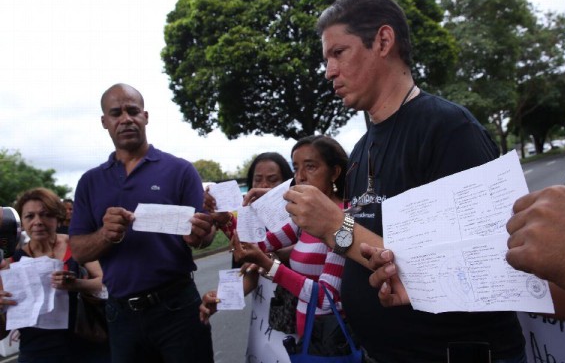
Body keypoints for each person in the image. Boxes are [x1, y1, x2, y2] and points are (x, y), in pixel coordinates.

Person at [283, 0, 525, 362]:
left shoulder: (447, 127)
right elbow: (370, 246)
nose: (329, 70)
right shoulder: (362, 150)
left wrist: (334, 225)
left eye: (338, 53)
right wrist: (330, 229)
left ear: (382, 41)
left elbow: (485, 265)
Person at [68, 83, 215, 363]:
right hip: (121, 314)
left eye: (132, 110)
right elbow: (78, 251)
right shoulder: (90, 182)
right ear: (104, 122)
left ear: (145, 116)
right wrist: (105, 235)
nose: (125, 119)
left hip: (177, 307)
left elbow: (203, 235)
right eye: (116, 113)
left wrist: (200, 234)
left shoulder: (180, 170)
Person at [204, 135, 350, 354]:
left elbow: (326, 298)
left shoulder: (345, 223)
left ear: (335, 172)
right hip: (309, 336)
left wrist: (270, 266)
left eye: (310, 167)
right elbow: (257, 243)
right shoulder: (303, 219)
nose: (300, 177)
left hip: (334, 340)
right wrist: (225, 219)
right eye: (296, 168)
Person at [0, 187, 108, 362]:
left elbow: (107, 284)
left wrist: (77, 284)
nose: (38, 221)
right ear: (22, 223)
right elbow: (2, 332)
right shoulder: (11, 261)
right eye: (30, 216)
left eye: (46, 214)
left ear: (58, 218)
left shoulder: (76, 247)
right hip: (36, 352)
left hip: (88, 347)